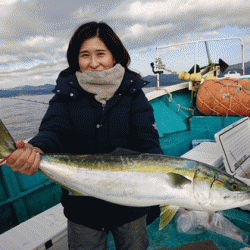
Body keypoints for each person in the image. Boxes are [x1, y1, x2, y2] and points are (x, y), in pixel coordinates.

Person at [6, 21, 163, 250]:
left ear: (114, 55)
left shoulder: (133, 93)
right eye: (84, 55)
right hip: (83, 210)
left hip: (131, 205)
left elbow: (149, 142)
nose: (93, 63)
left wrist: (173, 193)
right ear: (76, 59)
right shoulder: (65, 94)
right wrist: (36, 149)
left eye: (101, 53)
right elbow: (53, 130)